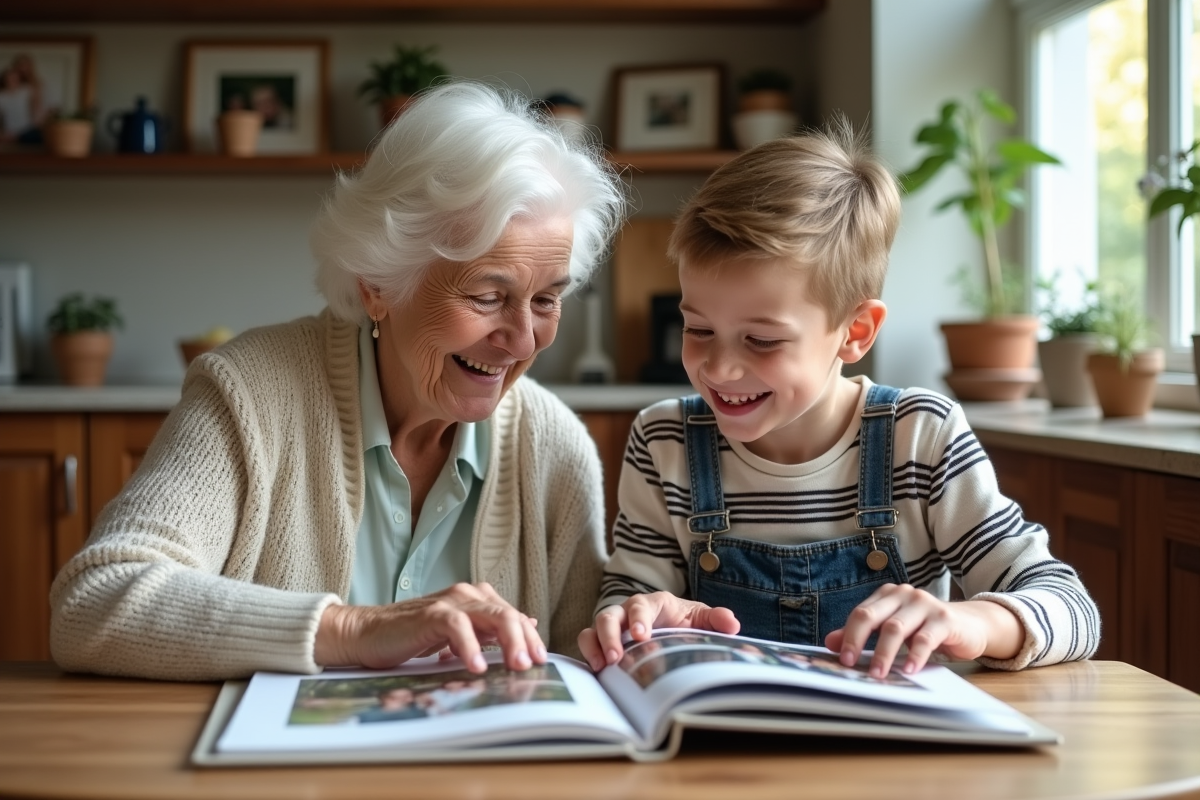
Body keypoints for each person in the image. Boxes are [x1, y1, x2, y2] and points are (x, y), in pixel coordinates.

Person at [49, 81, 626, 681]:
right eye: (487, 296)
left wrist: (640, 629)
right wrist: (357, 628)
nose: (525, 340)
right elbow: (94, 601)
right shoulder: (251, 394)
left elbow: (584, 672)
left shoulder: (555, 447)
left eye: (545, 300)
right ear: (377, 283)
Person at [578, 122, 1100, 679]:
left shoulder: (919, 435)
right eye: (698, 329)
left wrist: (970, 623)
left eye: (762, 340)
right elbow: (627, 597)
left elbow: (1072, 608)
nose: (719, 368)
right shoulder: (665, 442)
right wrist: (633, 616)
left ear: (855, 331)